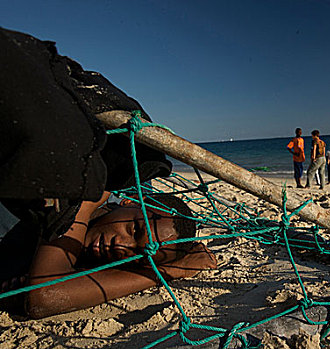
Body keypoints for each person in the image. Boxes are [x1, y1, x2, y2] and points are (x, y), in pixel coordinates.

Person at [0, 28, 216, 318]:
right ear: (128, 202)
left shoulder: (83, 258)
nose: (122, 247)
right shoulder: (88, 187)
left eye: (141, 257)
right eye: (135, 229)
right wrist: (165, 273)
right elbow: (44, 298)